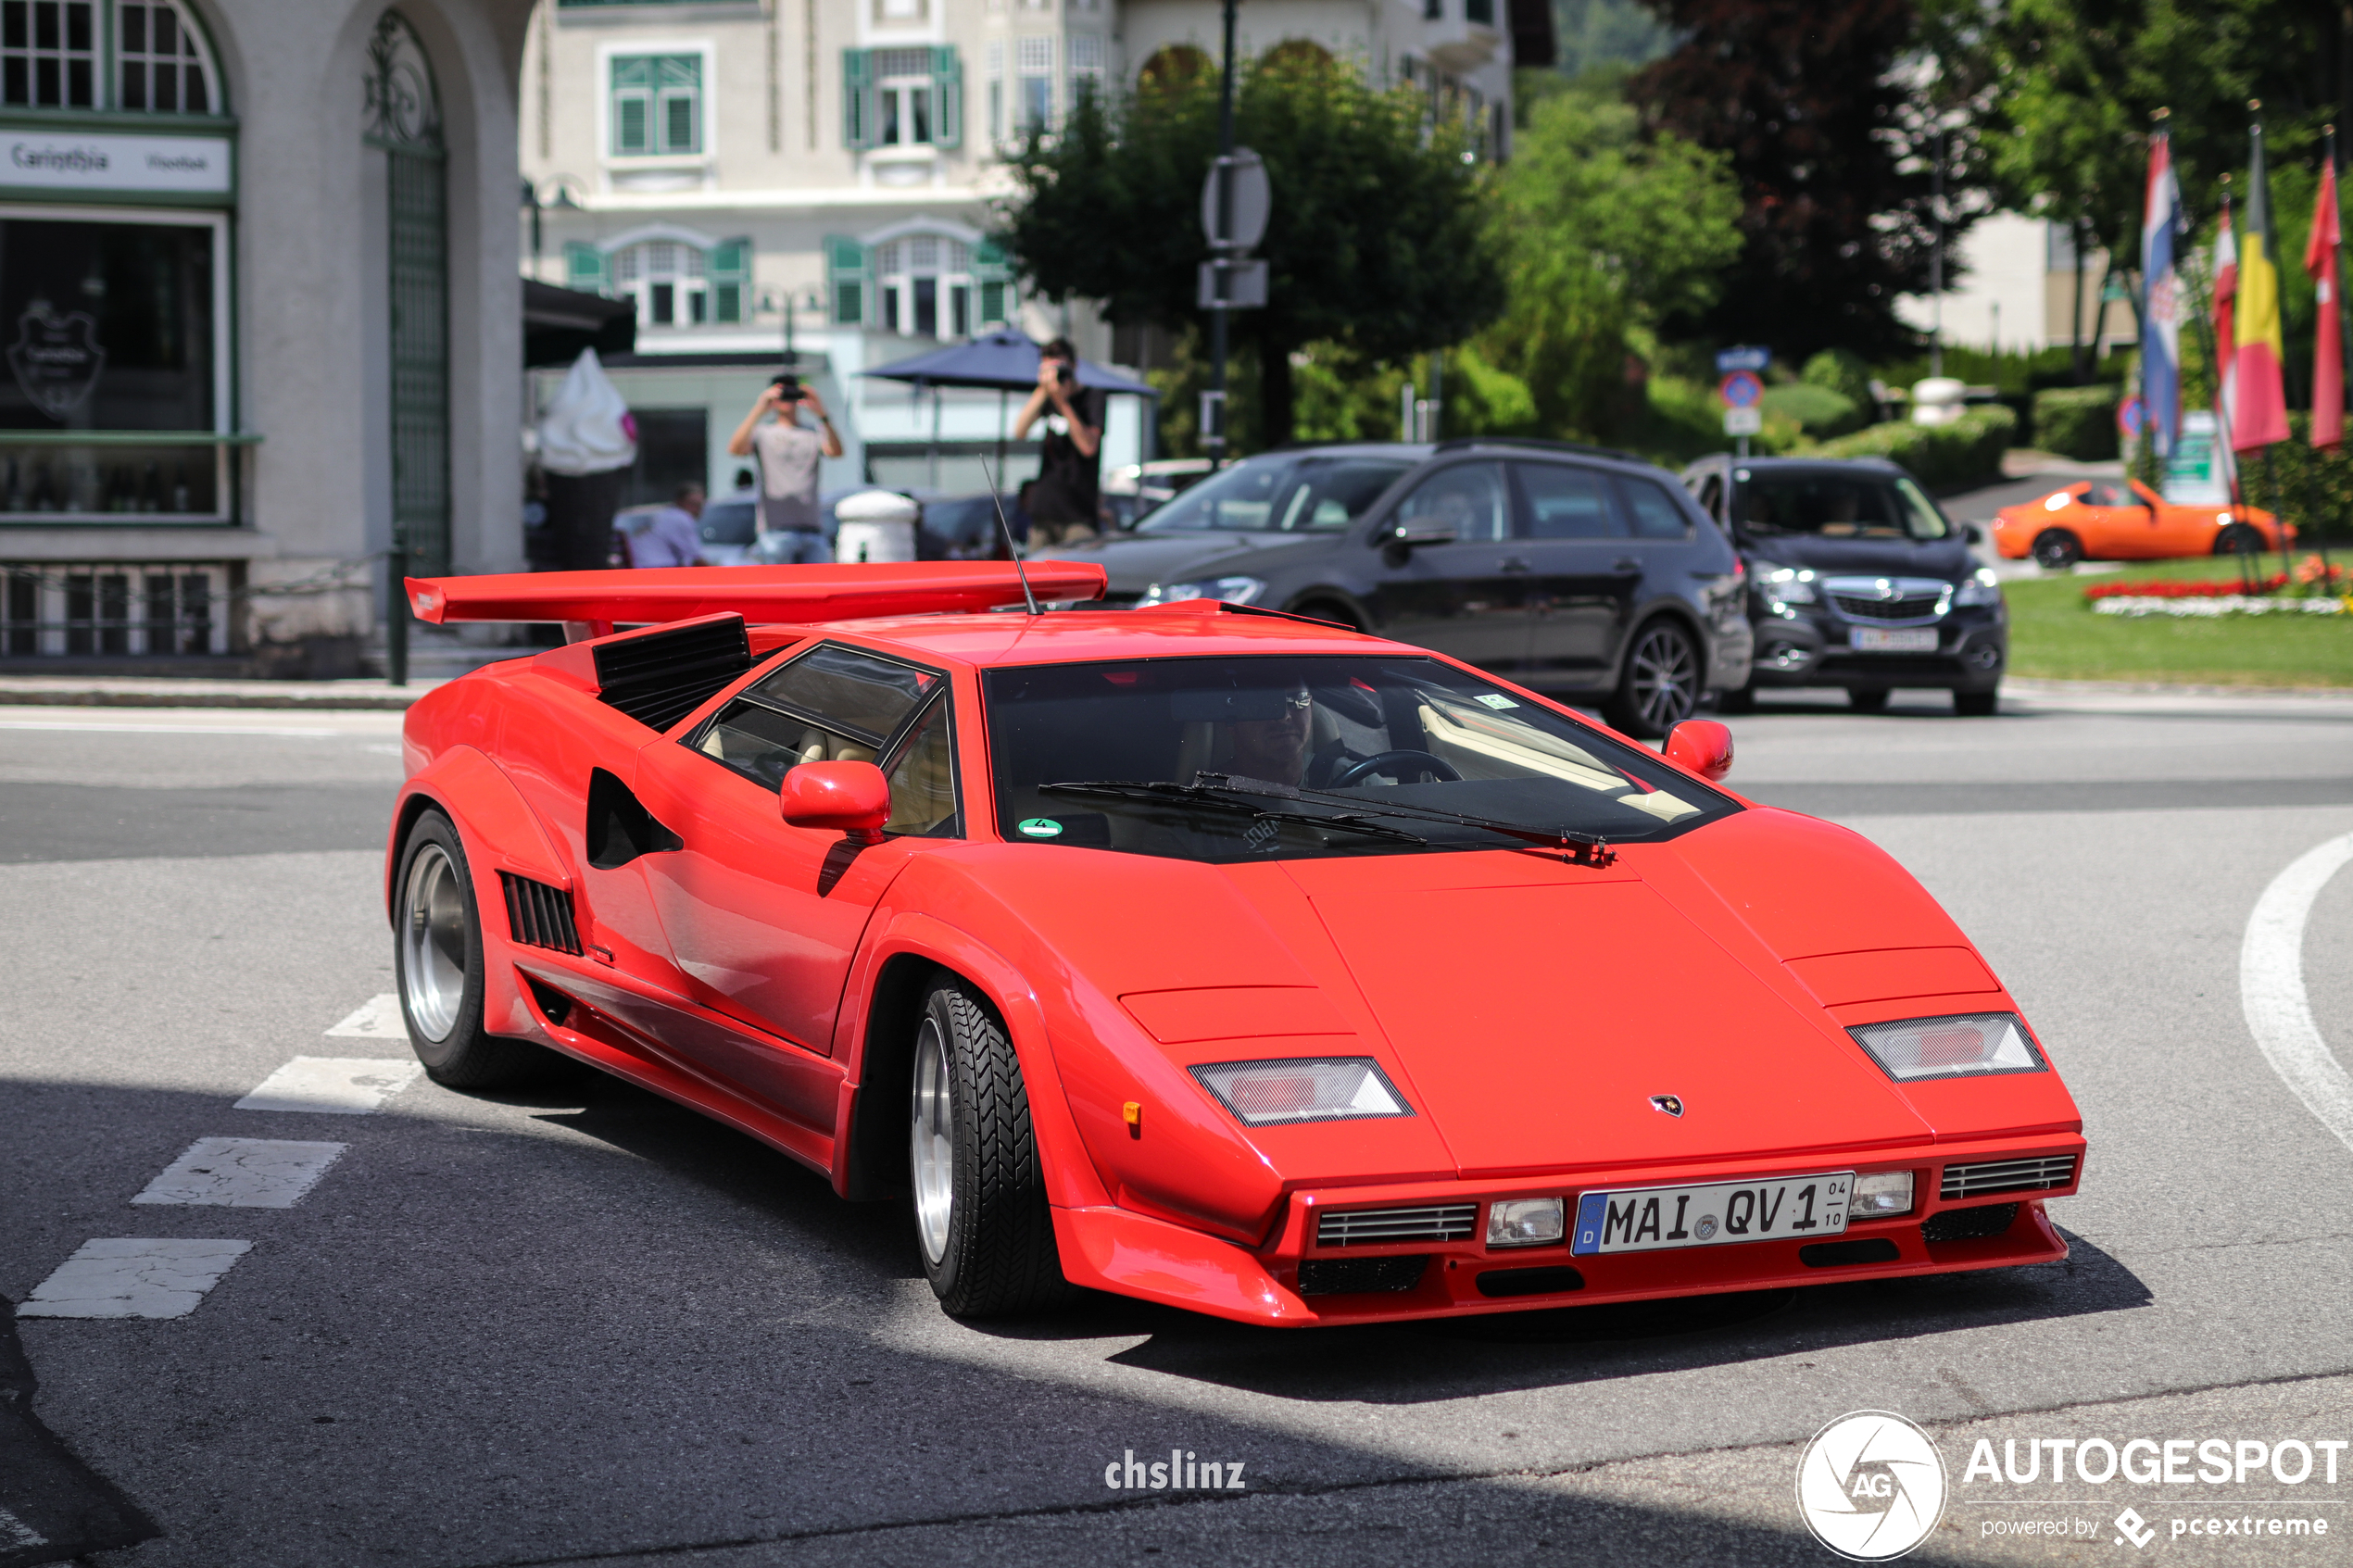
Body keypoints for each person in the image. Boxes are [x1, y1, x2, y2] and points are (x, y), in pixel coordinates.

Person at [728, 373, 844, 564]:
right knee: (780, 591)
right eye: (782, 393)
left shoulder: (813, 431)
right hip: (776, 530)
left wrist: (821, 413)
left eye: (792, 392)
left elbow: (836, 452)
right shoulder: (763, 432)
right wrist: (759, 409)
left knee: (817, 590)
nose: (786, 400)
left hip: (812, 530)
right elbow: (735, 449)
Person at [1012, 338, 1104, 548]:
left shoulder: (1092, 397)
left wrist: (1062, 401)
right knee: (1035, 577)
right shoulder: (1048, 398)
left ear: (1074, 366)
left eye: (1060, 368)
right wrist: (1043, 390)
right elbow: (1019, 431)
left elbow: (1088, 447)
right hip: (1044, 511)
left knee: (1076, 577)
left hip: (1078, 514)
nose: (1058, 375)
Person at [627, 482, 709, 568]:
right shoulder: (681, 518)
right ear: (679, 502)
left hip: (641, 569)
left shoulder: (664, 515)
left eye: (699, 505)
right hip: (658, 570)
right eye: (692, 504)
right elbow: (697, 559)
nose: (697, 509)